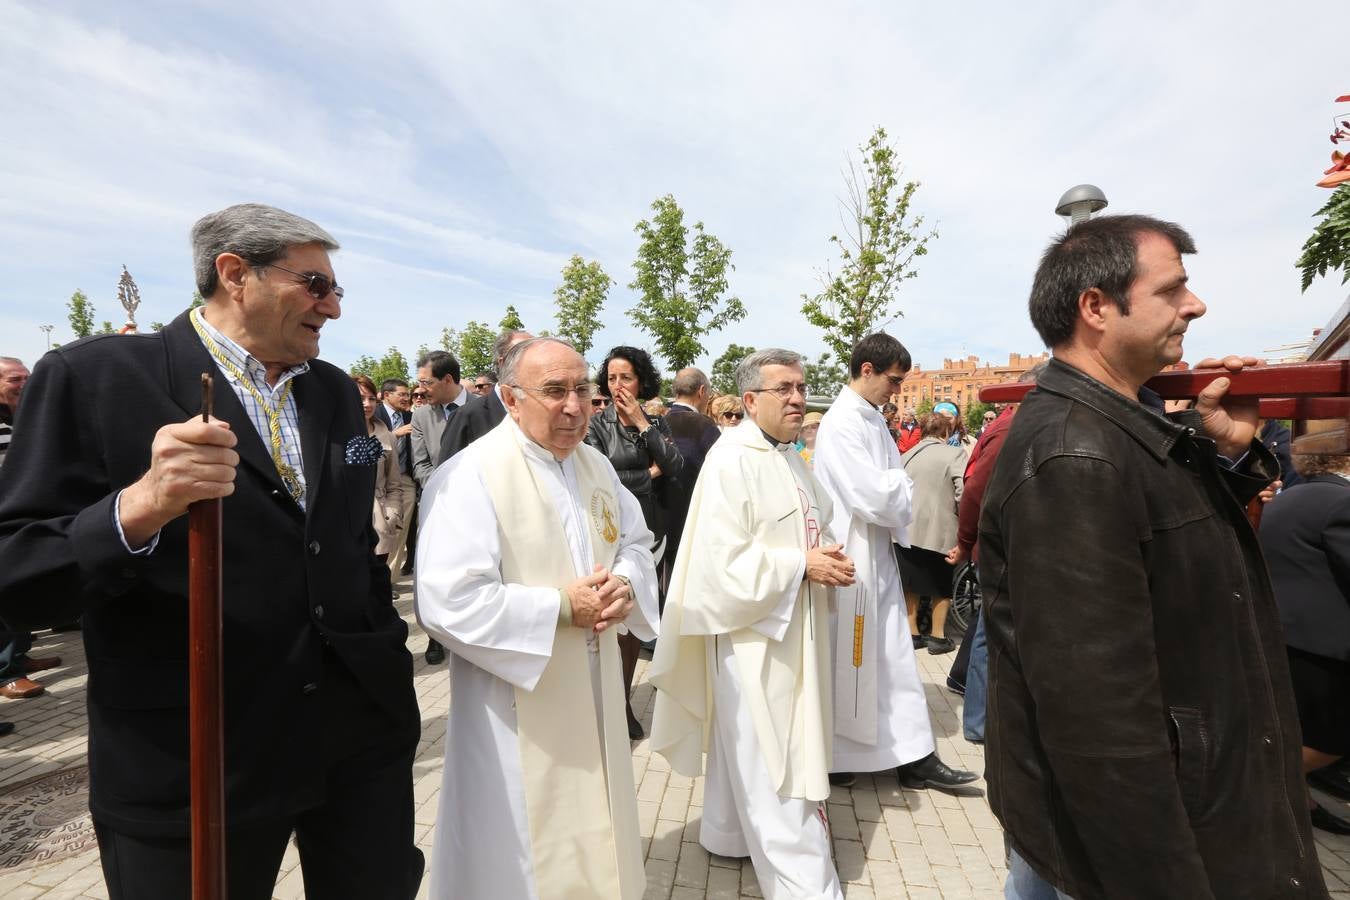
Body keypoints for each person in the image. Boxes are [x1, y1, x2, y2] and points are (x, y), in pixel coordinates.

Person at [0, 204, 422, 899]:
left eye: (337, 290)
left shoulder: (335, 395)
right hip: (195, 759)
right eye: (316, 284)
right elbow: (17, 575)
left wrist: (384, 648)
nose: (334, 308)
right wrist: (140, 506)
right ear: (235, 274)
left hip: (357, 744)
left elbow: (347, 538)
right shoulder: (94, 377)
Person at [980, 214, 1326, 899]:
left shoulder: (1121, 424)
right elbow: (1099, 717)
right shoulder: (1073, 454)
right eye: (1173, 290)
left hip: (1188, 800)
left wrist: (1225, 449)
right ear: (1096, 308)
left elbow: (1165, 541)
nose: (1195, 306)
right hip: (1153, 836)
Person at [415, 337, 657, 900]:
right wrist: (560, 607)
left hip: (595, 690)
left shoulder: (595, 465)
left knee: (599, 825)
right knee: (521, 854)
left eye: (582, 389)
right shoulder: (469, 475)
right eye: (554, 391)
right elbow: (447, 602)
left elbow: (638, 543)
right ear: (509, 398)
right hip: (514, 707)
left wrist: (625, 583)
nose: (574, 406)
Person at [650, 348, 851, 900]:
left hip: (788, 623)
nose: (796, 398)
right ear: (749, 400)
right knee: (774, 759)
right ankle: (806, 886)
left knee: (750, 745)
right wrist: (801, 564)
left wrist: (823, 552)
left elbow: (810, 520)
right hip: (753, 636)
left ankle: (728, 832)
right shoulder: (732, 459)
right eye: (783, 388)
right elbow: (720, 566)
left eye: (801, 386)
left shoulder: (785, 455)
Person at [812, 333, 977, 791]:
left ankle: (910, 756)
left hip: (873, 550)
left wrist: (898, 485)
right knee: (858, 655)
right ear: (867, 369)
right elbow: (873, 494)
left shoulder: (867, 418)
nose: (898, 389)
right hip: (854, 553)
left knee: (889, 657)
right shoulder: (843, 422)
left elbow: (889, 484)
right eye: (893, 379)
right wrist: (905, 488)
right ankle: (843, 755)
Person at [585, 345, 685, 737]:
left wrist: (643, 424)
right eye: (611, 378)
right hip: (610, 532)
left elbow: (675, 466)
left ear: (641, 380)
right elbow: (599, 479)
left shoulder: (656, 424)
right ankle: (603, 702)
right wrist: (648, 475)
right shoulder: (596, 425)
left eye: (625, 377)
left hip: (652, 531)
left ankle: (622, 701)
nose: (617, 385)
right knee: (612, 620)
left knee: (635, 617)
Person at [1259, 452, 1350, 835]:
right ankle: (1262, 789)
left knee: (1304, 732)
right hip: (1322, 643)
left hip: (1292, 635)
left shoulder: (1297, 494)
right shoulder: (1340, 501)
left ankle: (1294, 800)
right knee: (1331, 737)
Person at [899, 413, 966, 655]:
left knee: (910, 583)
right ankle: (938, 637)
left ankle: (913, 632)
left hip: (906, 528)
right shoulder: (954, 453)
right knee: (941, 582)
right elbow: (963, 491)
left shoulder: (906, 456)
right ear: (946, 432)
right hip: (941, 527)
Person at [663, 367, 722, 597]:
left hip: (659, 521)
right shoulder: (704, 426)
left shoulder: (656, 423)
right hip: (692, 520)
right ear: (702, 391)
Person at [438, 329, 532, 462]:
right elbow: (448, 476)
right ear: (502, 362)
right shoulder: (466, 417)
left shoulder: (543, 409)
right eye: (525, 354)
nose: (536, 360)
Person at [353, 374, 408, 568]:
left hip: (380, 521)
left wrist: (392, 513)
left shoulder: (386, 436)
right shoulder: (334, 435)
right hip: (346, 524)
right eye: (360, 398)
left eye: (371, 399)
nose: (367, 404)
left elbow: (394, 483)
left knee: (377, 581)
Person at [374, 377, 417, 577]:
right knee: (378, 530)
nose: (406, 398)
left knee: (399, 529)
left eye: (407, 394)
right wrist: (394, 434)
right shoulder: (373, 414)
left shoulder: (410, 417)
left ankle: (389, 579)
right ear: (386, 395)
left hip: (405, 480)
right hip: (377, 482)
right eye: (402, 394)